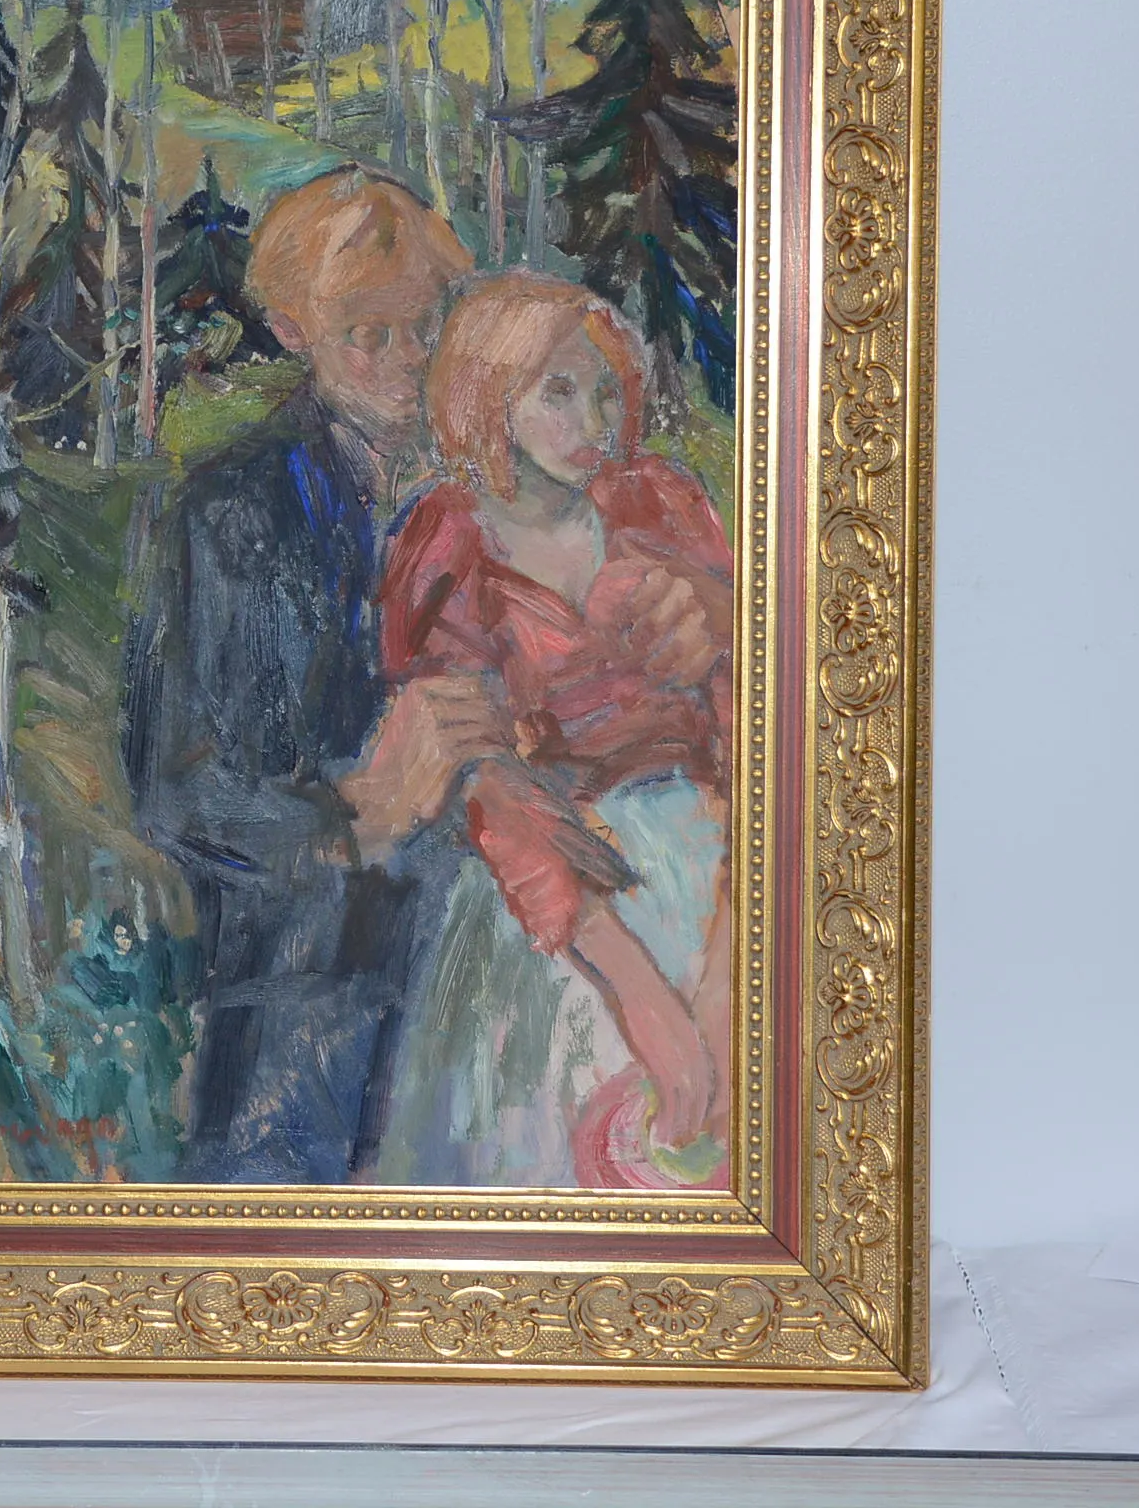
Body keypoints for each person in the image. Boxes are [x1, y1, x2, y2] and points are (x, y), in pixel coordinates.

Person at [123, 168, 515, 1182]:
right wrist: (359, 815)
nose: (406, 360)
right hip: (302, 1006)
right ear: (294, 328)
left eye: (424, 327)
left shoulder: (503, 493)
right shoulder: (232, 510)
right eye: (367, 333)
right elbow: (178, 792)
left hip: (489, 973)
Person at [372, 271, 735, 1188]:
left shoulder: (662, 502)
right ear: (488, 397)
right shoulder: (445, 540)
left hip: (715, 861)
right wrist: (640, 996)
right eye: (560, 393)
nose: (594, 424)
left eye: (608, 393)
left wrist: (732, 969)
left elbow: (748, 716)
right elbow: (492, 789)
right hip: (562, 898)